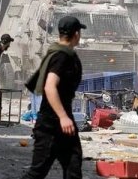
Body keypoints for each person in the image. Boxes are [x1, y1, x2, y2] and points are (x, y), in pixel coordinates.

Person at [21, 16, 86, 179]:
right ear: (77, 34)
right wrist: (63, 117)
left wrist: (65, 118)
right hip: (51, 124)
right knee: (37, 173)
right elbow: (50, 87)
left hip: (63, 123)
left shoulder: (66, 54)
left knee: (73, 168)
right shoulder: (61, 56)